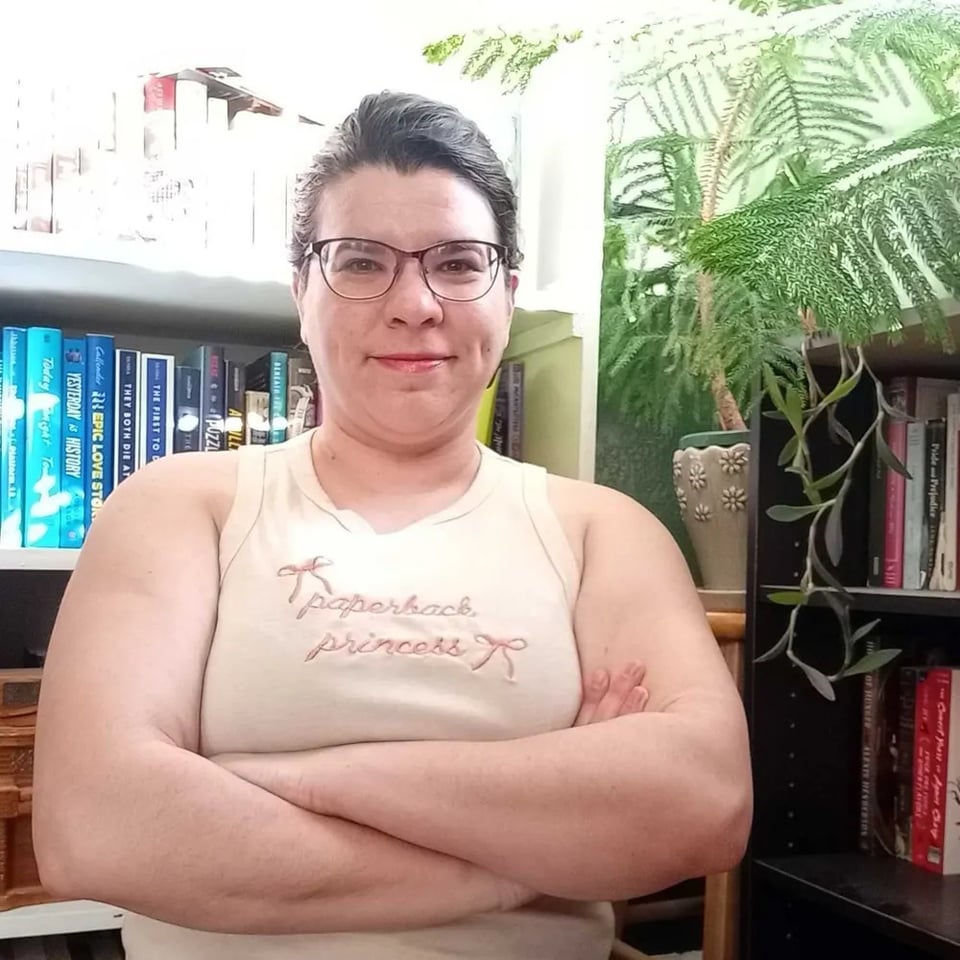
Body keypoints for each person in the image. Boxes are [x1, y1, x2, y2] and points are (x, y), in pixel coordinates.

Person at [32, 90, 752, 960]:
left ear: (507, 294)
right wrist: (530, 856)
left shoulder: (603, 532)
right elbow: (94, 829)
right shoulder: (179, 507)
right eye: (362, 262)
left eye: (456, 262)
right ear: (302, 291)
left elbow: (704, 804)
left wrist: (282, 783)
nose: (414, 304)